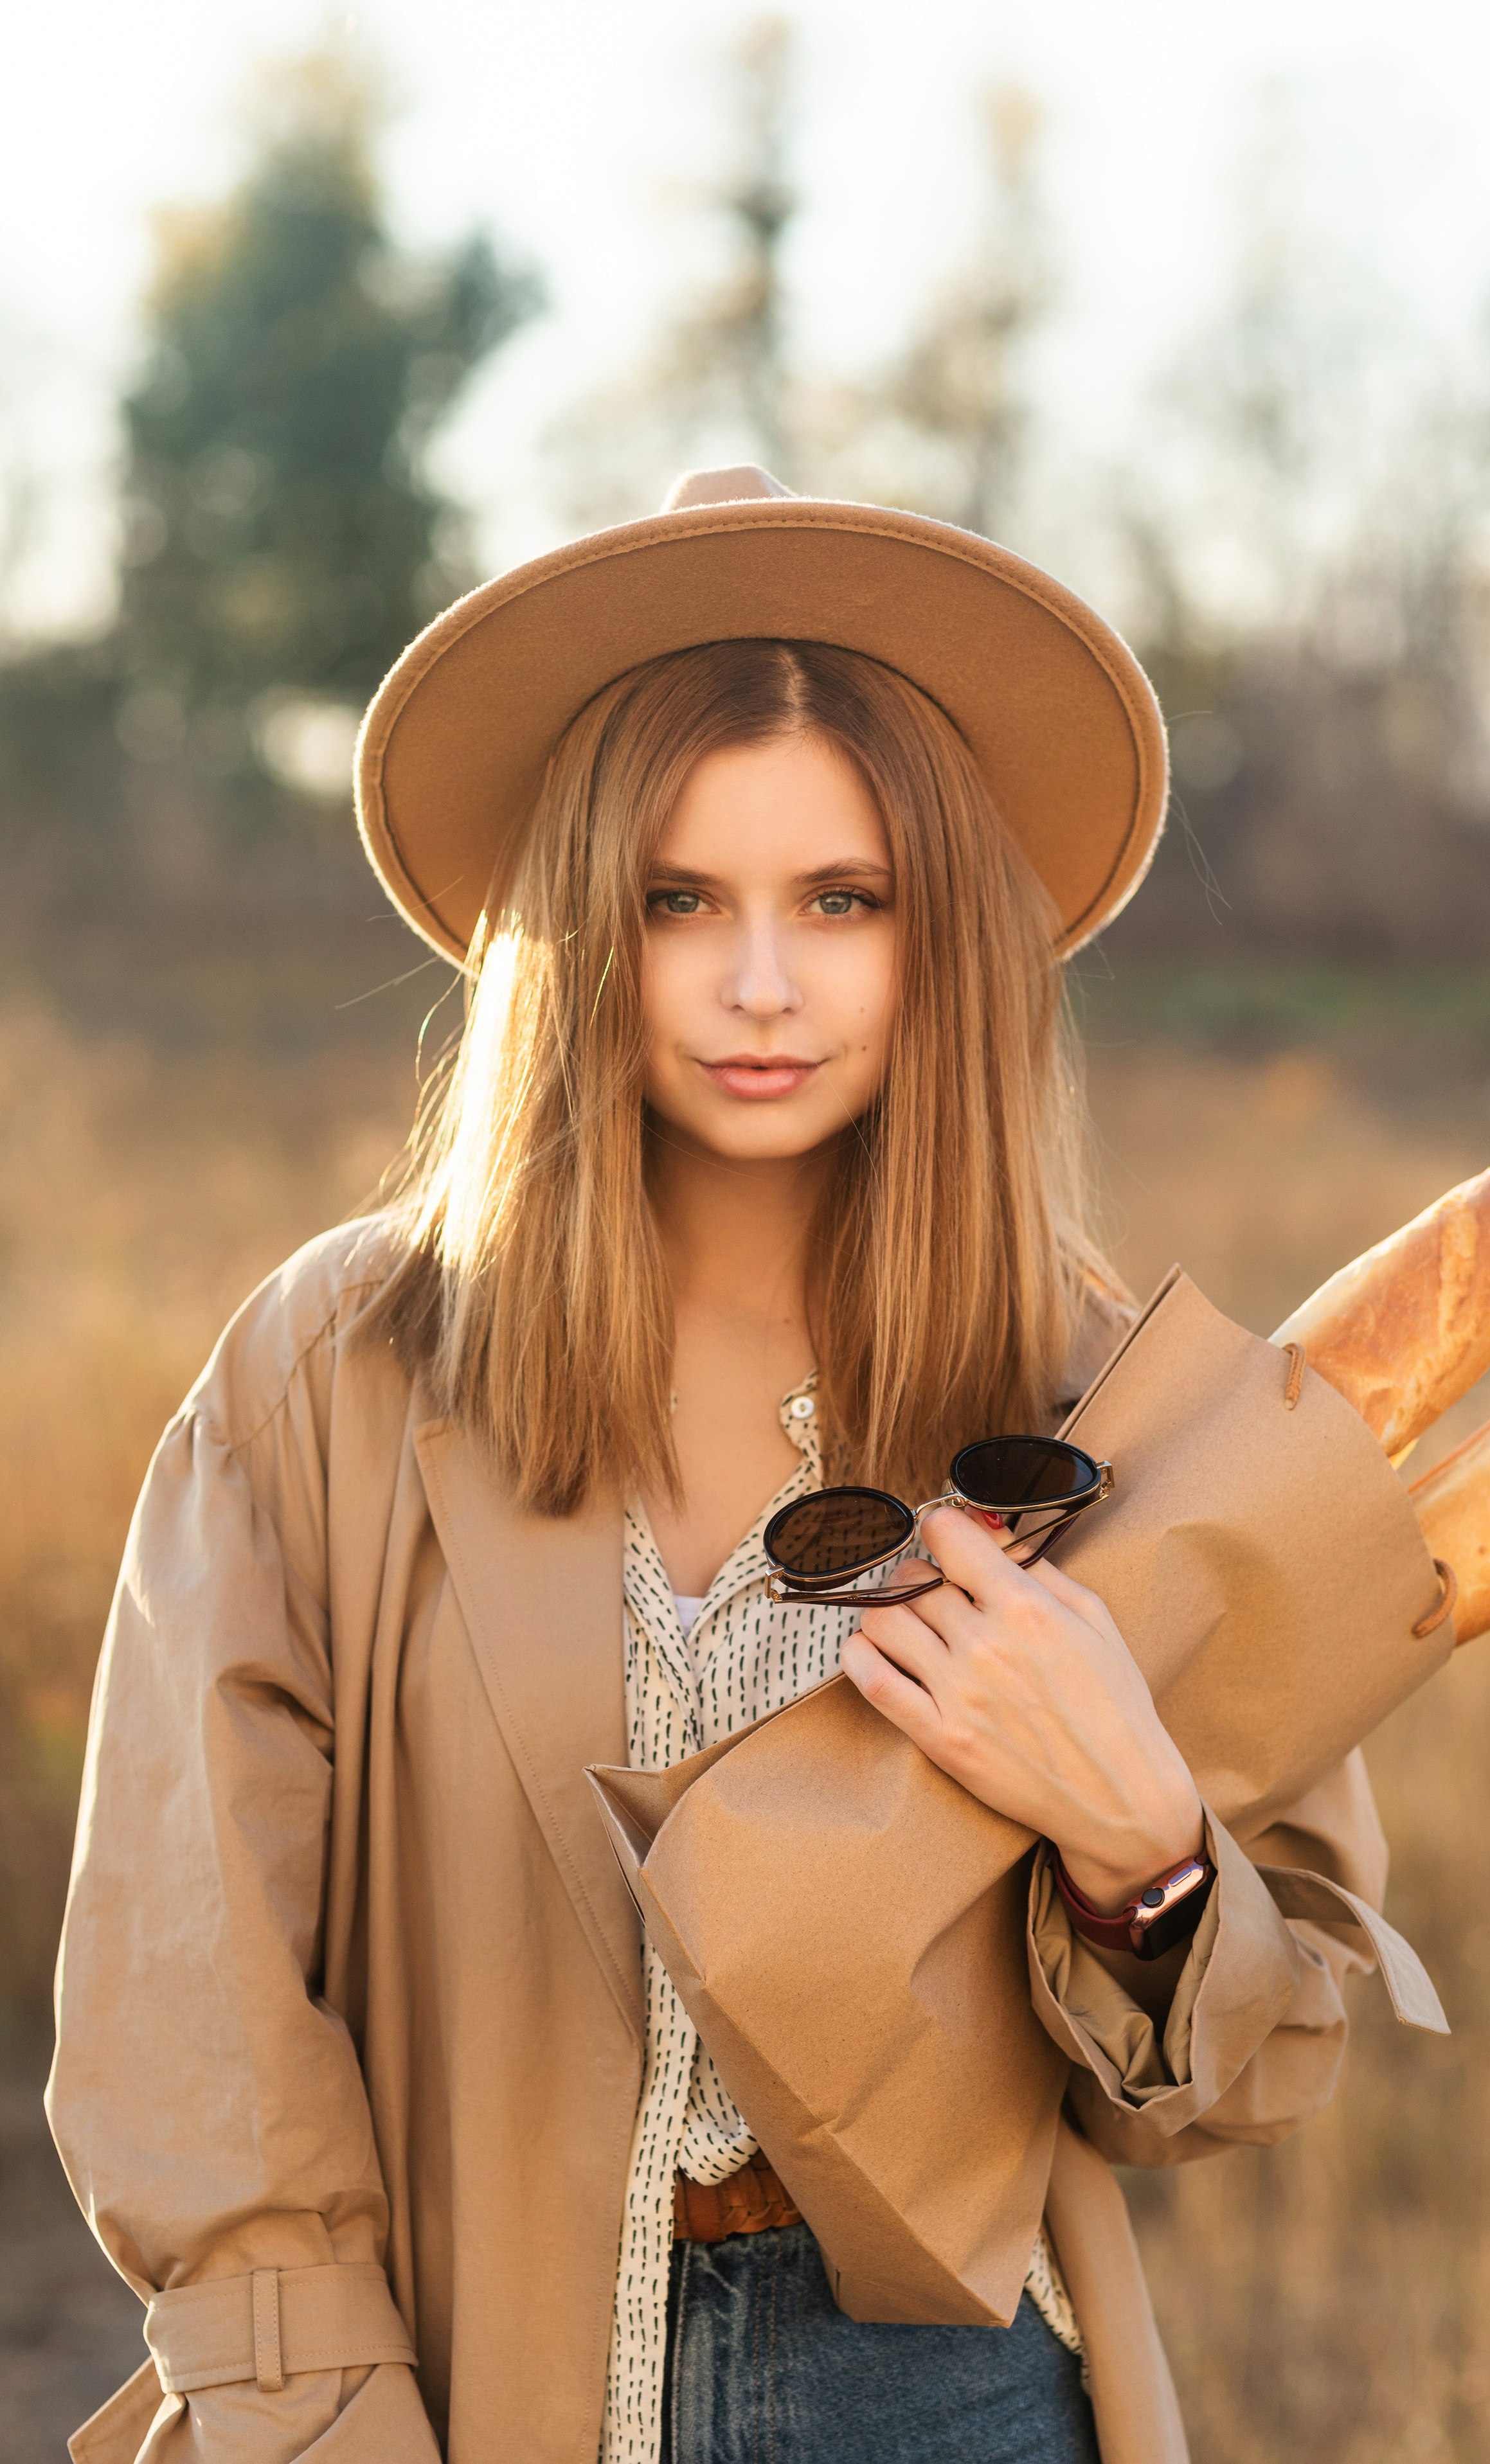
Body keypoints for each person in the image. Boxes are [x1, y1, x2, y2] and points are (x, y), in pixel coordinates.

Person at [49, 467, 1411, 2464]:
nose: (758, 982)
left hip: (953, 2395)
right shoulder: (331, 1372)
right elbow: (192, 2019)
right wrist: (321, 2419)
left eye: (838, 900)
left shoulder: (1097, 1387)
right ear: (583, 927)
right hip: (456, 2383)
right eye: (681, 898)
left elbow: (1245, 2070)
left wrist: (1143, 1853)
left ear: (936, 930)